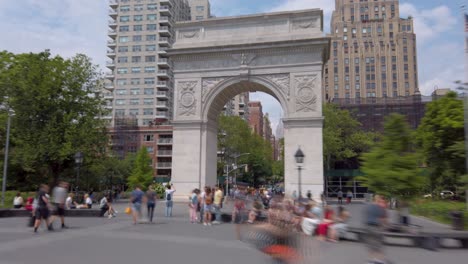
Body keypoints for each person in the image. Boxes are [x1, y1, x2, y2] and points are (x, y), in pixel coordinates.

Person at [364, 195, 388, 264]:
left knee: (371, 244)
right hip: (376, 227)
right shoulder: (381, 208)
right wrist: (384, 227)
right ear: (379, 200)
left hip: (368, 227)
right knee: (378, 244)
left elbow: (366, 216)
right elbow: (384, 219)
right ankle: (381, 260)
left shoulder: (369, 206)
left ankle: (370, 260)